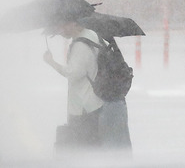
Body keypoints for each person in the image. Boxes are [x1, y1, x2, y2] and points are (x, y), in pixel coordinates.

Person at [43, 16, 132, 153]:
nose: (60, 31)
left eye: (62, 26)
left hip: (85, 106)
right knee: (98, 148)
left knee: (84, 150)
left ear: (73, 23)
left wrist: (52, 62)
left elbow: (73, 73)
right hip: (97, 102)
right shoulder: (92, 35)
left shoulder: (81, 44)